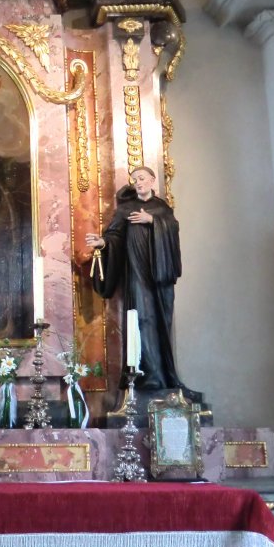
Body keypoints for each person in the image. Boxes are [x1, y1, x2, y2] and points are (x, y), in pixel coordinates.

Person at [85, 166, 187, 392]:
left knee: (160, 321)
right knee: (142, 320)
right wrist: (102, 243)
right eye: (134, 180)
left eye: (142, 178)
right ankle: (148, 375)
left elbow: (173, 228)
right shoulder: (127, 209)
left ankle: (164, 375)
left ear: (152, 180)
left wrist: (152, 220)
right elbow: (114, 235)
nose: (138, 183)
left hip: (158, 275)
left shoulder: (161, 208)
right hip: (137, 274)